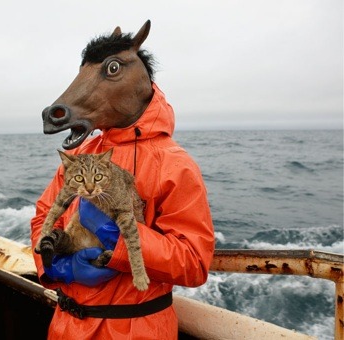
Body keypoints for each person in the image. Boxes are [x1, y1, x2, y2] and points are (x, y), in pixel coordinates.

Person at [30, 79, 215, 338]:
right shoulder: (80, 155)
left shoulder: (177, 165)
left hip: (136, 330)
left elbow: (193, 263)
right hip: (65, 327)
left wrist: (118, 240)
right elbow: (43, 217)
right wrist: (55, 264)